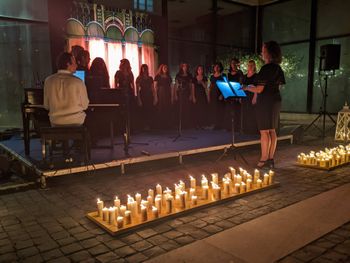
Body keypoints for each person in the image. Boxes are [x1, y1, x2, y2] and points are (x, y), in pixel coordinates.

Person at [243, 41, 285, 168]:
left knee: (264, 132)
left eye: (263, 50)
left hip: (265, 102)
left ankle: (263, 159)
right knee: (272, 130)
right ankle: (270, 159)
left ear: (268, 52)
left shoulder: (266, 68)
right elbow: (280, 86)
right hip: (275, 100)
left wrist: (246, 88)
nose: (261, 52)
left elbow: (260, 89)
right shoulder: (278, 68)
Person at [44, 52, 89, 127]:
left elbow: (46, 106)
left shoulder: (48, 81)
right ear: (68, 64)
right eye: (74, 62)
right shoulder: (78, 82)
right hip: (76, 121)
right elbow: (85, 106)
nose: (77, 65)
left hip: (55, 122)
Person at [114, 59, 136, 133]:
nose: (123, 65)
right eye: (122, 63)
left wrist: (134, 93)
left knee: (130, 110)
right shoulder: (118, 73)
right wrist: (116, 92)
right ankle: (122, 128)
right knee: (122, 111)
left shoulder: (130, 73)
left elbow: (133, 84)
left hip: (129, 92)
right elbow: (116, 84)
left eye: (124, 63)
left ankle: (130, 128)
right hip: (121, 92)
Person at [136, 64, 156, 130]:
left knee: (150, 110)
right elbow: (137, 90)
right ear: (141, 69)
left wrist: (155, 97)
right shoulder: (139, 78)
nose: (144, 70)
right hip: (143, 95)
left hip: (149, 95)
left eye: (145, 68)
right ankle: (144, 126)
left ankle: (150, 125)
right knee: (143, 111)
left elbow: (153, 88)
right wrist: (139, 99)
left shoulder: (150, 78)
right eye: (143, 68)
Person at [241, 60, 258, 135]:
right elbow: (242, 87)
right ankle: (245, 130)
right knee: (245, 112)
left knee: (252, 113)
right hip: (244, 96)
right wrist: (240, 97)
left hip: (252, 96)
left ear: (254, 66)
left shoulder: (256, 76)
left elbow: (257, 87)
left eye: (252, 65)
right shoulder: (244, 76)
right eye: (249, 65)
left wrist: (255, 97)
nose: (250, 66)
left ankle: (253, 130)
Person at [175, 63, 194, 128]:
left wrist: (191, 94)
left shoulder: (189, 75)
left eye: (186, 66)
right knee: (181, 108)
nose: (185, 67)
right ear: (181, 67)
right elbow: (176, 85)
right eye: (183, 66)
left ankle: (187, 123)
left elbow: (191, 85)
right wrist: (175, 94)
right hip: (180, 92)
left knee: (187, 108)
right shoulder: (178, 75)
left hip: (187, 92)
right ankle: (181, 124)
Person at [208, 62, 226, 129]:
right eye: (215, 67)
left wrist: (222, 95)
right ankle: (215, 124)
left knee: (220, 110)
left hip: (220, 94)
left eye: (218, 67)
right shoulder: (212, 76)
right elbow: (210, 86)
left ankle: (220, 124)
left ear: (220, 68)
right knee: (214, 109)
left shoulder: (223, 75)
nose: (216, 68)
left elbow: (225, 86)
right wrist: (209, 95)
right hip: (213, 94)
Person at [154, 64, 172, 128]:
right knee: (160, 107)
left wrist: (172, 95)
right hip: (161, 93)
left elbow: (170, 86)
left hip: (167, 93)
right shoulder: (157, 76)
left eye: (166, 68)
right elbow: (155, 86)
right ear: (161, 68)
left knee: (167, 107)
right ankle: (160, 124)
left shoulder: (169, 77)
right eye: (164, 68)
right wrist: (155, 96)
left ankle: (167, 124)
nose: (165, 69)